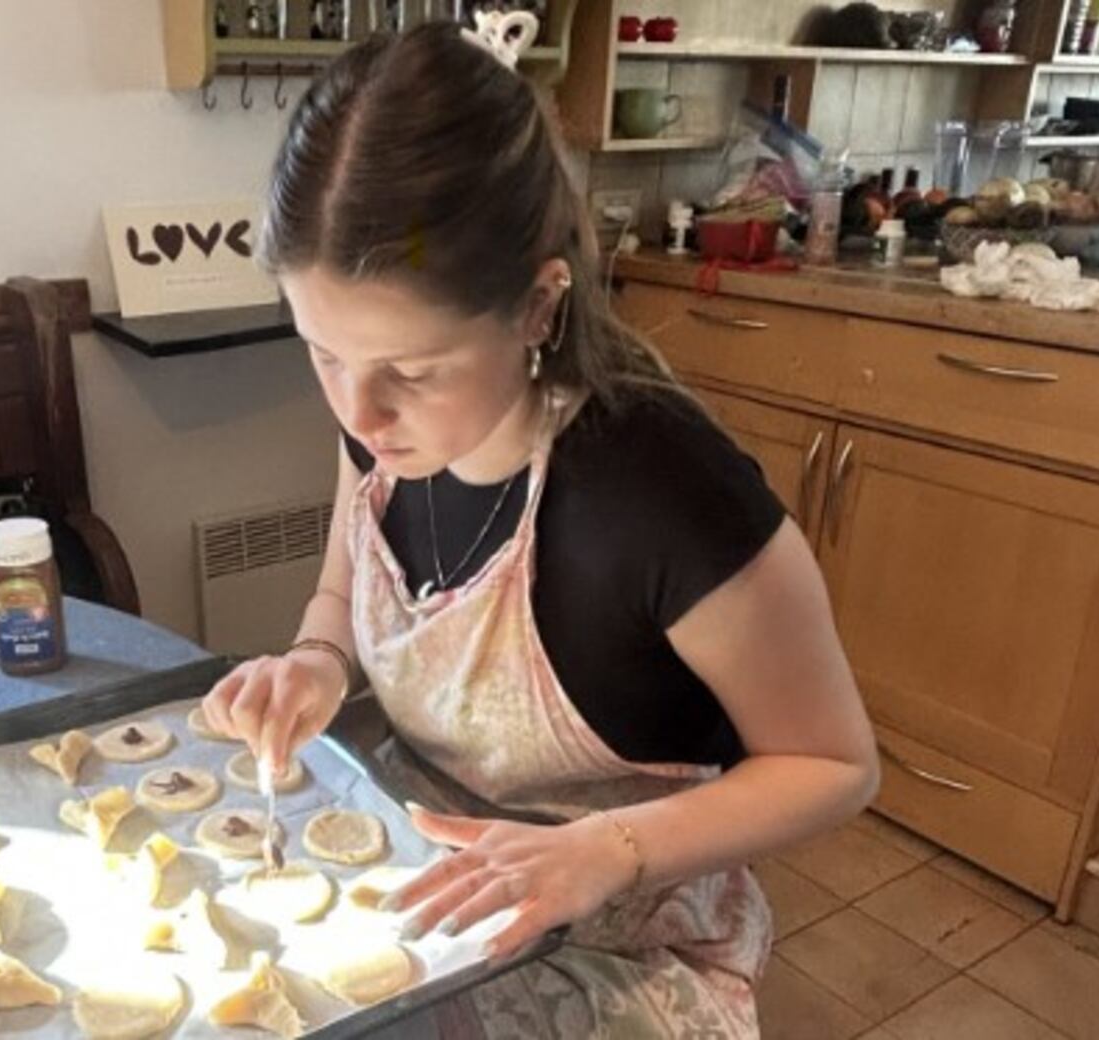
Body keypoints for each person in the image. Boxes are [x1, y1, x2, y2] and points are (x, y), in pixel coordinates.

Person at [202, 13, 879, 1038]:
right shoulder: (383, 432)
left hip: (627, 946)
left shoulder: (660, 488)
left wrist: (608, 847)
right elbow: (344, 592)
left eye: (412, 370)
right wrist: (314, 661)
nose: (358, 411)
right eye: (322, 353)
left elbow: (833, 764)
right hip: (433, 895)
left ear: (535, 306)